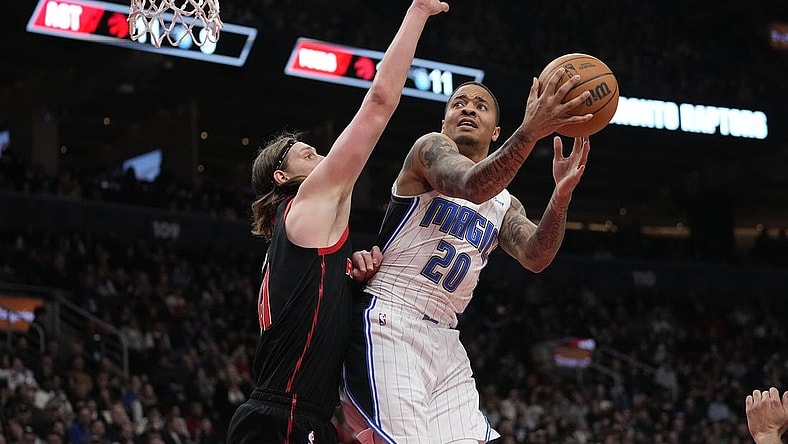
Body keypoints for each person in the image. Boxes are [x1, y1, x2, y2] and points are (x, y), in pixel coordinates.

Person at [224, 1, 450, 444]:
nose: (315, 151)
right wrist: (418, 12)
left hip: (296, 416)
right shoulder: (308, 201)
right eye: (301, 152)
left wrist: (350, 286)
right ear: (281, 178)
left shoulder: (301, 236)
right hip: (286, 417)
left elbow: (314, 319)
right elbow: (379, 102)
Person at [341, 70, 595, 442]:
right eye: (458, 103)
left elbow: (536, 256)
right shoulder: (428, 150)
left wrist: (560, 198)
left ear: (495, 132)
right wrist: (530, 131)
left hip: (445, 336)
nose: (468, 109)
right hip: (390, 318)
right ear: (443, 122)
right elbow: (471, 185)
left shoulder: (505, 205)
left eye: (481, 106)